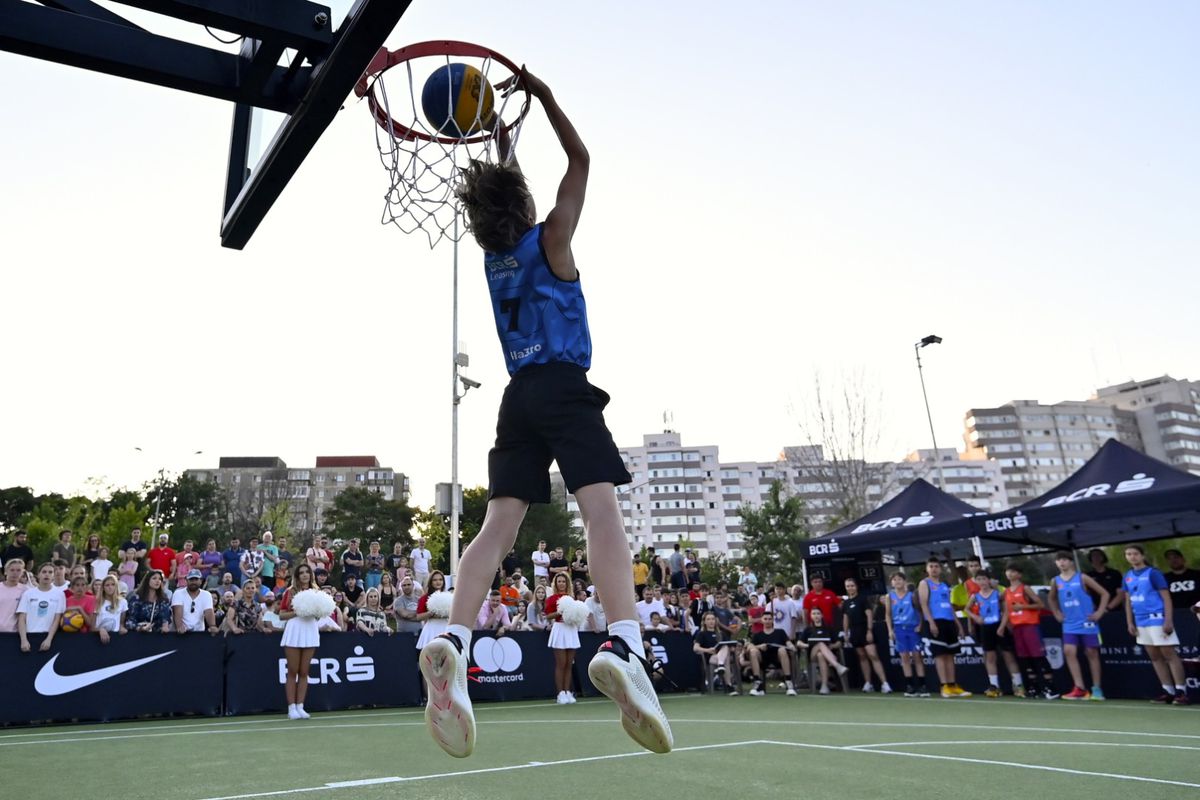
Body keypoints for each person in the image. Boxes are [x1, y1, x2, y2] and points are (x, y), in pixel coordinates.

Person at [418, 70, 671, 758]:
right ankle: (623, 638)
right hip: (562, 384)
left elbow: (509, 193)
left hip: (516, 396)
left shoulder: (495, 256)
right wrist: (546, 98)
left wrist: (502, 132)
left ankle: (452, 635)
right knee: (601, 512)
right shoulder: (551, 237)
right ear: (527, 204)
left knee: (499, 526)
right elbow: (580, 161)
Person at [1123, 545, 1188, 704]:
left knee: (1169, 654)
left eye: (1135, 554)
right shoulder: (1127, 576)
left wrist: (1168, 619)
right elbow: (1127, 600)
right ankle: (1168, 690)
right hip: (1141, 620)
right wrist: (1130, 621)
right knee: (1154, 656)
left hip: (1157, 618)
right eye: (1129, 554)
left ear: (1142, 555)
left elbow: (1166, 597)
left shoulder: (1153, 573)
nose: (1132, 557)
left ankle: (1181, 691)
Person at [1047, 552, 1110, 700]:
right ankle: (1079, 688)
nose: (1061, 563)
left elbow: (1104, 594)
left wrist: (1100, 612)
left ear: (1071, 562)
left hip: (1087, 622)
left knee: (1092, 653)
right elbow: (1051, 599)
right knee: (1069, 651)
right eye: (1059, 560)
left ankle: (1096, 688)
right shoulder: (1055, 581)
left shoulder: (1082, 577)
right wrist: (1056, 613)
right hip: (1069, 623)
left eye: (1064, 560)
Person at [999, 565, 1058, 700]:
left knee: (1038, 656)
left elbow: (1040, 604)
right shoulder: (1007, 592)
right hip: (1017, 627)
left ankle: (1050, 687)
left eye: (1014, 571)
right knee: (1025, 658)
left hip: (1030, 625)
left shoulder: (1025, 588)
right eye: (1008, 571)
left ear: (1019, 574)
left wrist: (1023, 606)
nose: (1010, 574)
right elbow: (1007, 610)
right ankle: (1034, 687)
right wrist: (1003, 626)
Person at [918, 557, 970, 698]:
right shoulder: (924, 583)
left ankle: (952, 685)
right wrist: (931, 623)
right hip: (936, 621)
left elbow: (949, 606)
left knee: (950, 654)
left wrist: (958, 624)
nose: (934, 569)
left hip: (949, 622)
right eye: (931, 566)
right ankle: (944, 686)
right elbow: (924, 604)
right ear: (927, 569)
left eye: (936, 566)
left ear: (940, 569)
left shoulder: (944, 585)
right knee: (940, 655)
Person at [966, 570, 1022, 698]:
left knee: (1008, 656)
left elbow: (1006, 610)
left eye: (984, 579)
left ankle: (1018, 686)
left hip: (999, 626)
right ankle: (994, 687)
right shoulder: (975, 596)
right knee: (990, 658)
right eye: (978, 579)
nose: (982, 582)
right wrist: (976, 618)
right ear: (975, 581)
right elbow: (966, 609)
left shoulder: (997, 594)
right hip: (986, 628)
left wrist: (1002, 626)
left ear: (989, 580)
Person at [278, 563, 320, 719]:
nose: (304, 575)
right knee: (292, 671)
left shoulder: (316, 592)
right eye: (301, 572)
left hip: (310, 630)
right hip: (294, 630)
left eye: (307, 572)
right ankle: (291, 708)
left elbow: (318, 615)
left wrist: (317, 611)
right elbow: (281, 615)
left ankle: (301, 706)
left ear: (310, 575)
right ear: (297, 576)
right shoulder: (290, 592)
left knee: (304, 671)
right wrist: (297, 612)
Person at [842, 577, 891, 693]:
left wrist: (869, 630)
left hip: (865, 629)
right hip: (854, 632)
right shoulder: (846, 603)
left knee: (873, 655)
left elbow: (869, 615)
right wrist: (846, 633)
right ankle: (868, 683)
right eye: (848, 586)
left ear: (856, 586)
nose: (850, 588)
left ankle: (885, 683)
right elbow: (845, 619)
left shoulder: (863, 599)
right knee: (862, 657)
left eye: (852, 585)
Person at [883, 572, 928, 697]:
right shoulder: (889, 597)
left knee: (917, 655)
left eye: (900, 579)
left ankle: (922, 685)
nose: (897, 582)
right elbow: (887, 614)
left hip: (912, 628)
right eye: (894, 580)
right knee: (904, 657)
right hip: (899, 628)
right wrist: (890, 630)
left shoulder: (911, 595)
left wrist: (919, 625)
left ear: (904, 581)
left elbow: (919, 610)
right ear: (891, 583)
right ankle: (909, 685)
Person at [545, 572, 581, 703]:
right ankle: (560, 693)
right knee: (561, 664)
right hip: (559, 629)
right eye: (559, 581)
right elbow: (548, 616)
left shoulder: (571, 598)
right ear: (555, 583)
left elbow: (577, 614)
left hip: (571, 629)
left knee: (569, 665)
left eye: (563, 581)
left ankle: (567, 692)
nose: (561, 584)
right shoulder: (552, 598)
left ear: (567, 583)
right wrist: (559, 612)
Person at [744, 611, 797, 696]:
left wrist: (791, 646)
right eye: (765, 619)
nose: (768, 621)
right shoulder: (757, 635)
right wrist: (759, 646)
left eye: (769, 619)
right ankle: (757, 682)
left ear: (773, 620)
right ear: (762, 620)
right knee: (753, 651)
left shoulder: (780, 632)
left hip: (778, 657)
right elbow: (749, 647)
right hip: (763, 658)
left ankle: (788, 682)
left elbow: (788, 643)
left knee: (782, 650)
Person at [797, 607, 848, 694]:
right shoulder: (808, 629)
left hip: (827, 654)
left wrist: (833, 646)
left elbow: (839, 642)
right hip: (812, 654)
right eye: (813, 614)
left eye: (818, 613)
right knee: (820, 644)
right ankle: (837, 666)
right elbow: (798, 643)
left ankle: (824, 686)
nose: (816, 616)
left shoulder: (829, 628)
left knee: (821, 655)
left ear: (822, 615)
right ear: (811, 616)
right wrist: (807, 645)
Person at [17, 563, 64, 652]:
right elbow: (21, 618)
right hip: (29, 636)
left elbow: (57, 619)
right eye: (44, 572)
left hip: (48, 638)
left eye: (50, 572)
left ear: (53, 576)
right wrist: (23, 640)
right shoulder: (28, 593)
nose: (47, 574)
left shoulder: (59, 594)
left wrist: (49, 639)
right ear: (38, 575)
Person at [172, 569, 217, 635]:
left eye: (196, 579)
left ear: (201, 581)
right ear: (186, 580)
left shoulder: (207, 594)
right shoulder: (178, 593)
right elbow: (177, 612)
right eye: (191, 579)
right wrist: (179, 626)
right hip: (182, 633)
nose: (193, 582)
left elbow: (209, 612)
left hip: (199, 633)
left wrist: (212, 626)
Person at [415, 570, 450, 649]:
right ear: (431, 582)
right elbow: (418, 617)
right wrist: (431, 613)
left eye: (440, 580)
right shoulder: (424, 598)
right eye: (435, 580)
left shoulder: (449, 596)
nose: (438, 582)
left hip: (446, 628)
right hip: (432, 629)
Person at [1084, 548, 1125, 614]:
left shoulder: (1114, 573)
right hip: (1096, 611)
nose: (1096, 558)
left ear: (1103, 557)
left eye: (1098, 555)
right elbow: (1086, 594)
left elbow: (1121, 593)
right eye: (1093, 556)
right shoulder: (1087, 576)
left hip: (1115, 610)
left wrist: (1107, 608)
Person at [94, 575, 128, 644]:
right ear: (103, 588)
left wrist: (122, 627)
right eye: (107, 585)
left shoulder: (123, 602)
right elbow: (92, 626)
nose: (110, 587)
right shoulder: (96, 602)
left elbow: (121, 622)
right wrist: (100, 630)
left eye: (113, 584)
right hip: (97, 638)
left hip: (116, 638)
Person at [0, 558, 30, 633]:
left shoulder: (26, 591)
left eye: (18, 570)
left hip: (14, 633)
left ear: (22, 572)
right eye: (12, 570)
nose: (15, 573)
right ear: (6, 572)